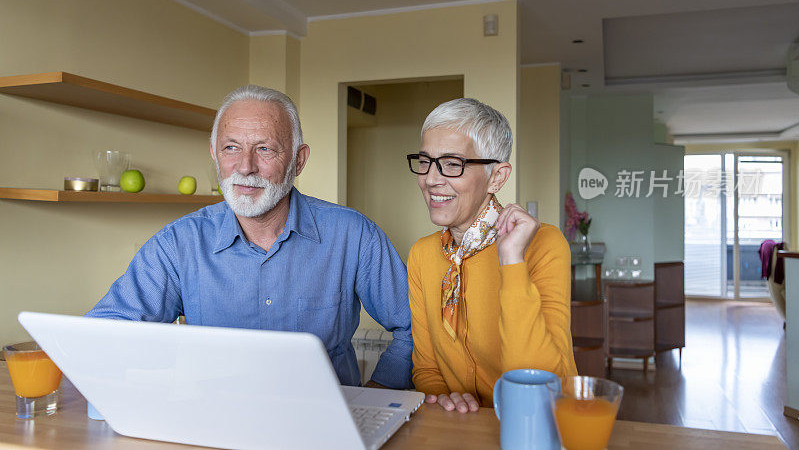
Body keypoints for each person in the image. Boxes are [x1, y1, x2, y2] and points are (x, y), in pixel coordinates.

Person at [87, 85, 412, 389]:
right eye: (231, 147)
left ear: (298, 160)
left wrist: (377, 393)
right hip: (216, 425)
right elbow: (102, 334)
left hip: (321, 429)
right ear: (215, 154)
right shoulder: (178, 244)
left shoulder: (353, 236)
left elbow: (415, 327)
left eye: (265, 149)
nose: (245, 167)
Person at [406, 98, 577, 413]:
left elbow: (541, 382)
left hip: (537, 428)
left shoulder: (544, 244)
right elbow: (427, 368)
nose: (430, 179)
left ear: (497, 177)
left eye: (453, 164)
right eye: (425, 161)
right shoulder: (422, 255)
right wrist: (443, 398)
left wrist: (512, 259)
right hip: (460, 432)